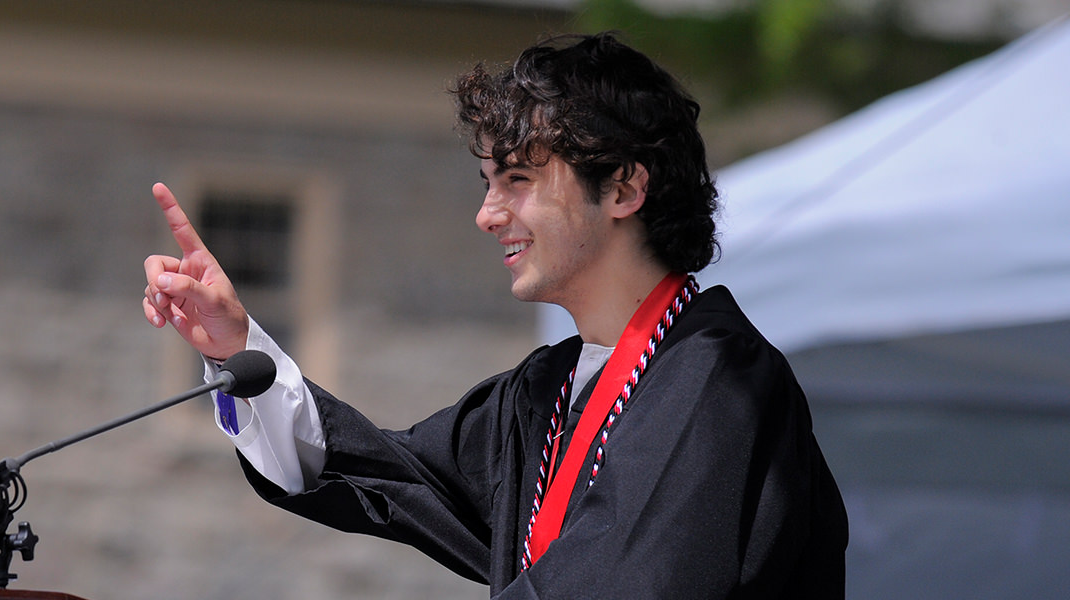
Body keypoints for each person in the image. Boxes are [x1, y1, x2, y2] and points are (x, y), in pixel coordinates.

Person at [142, 32, 847, 599]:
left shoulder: (719, 381)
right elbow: (386, 474)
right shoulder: (545, 392)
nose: (487, 216)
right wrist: (239, 351)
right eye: (488, 184)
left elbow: (625, 581)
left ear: (625, 187)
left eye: (518, 180)